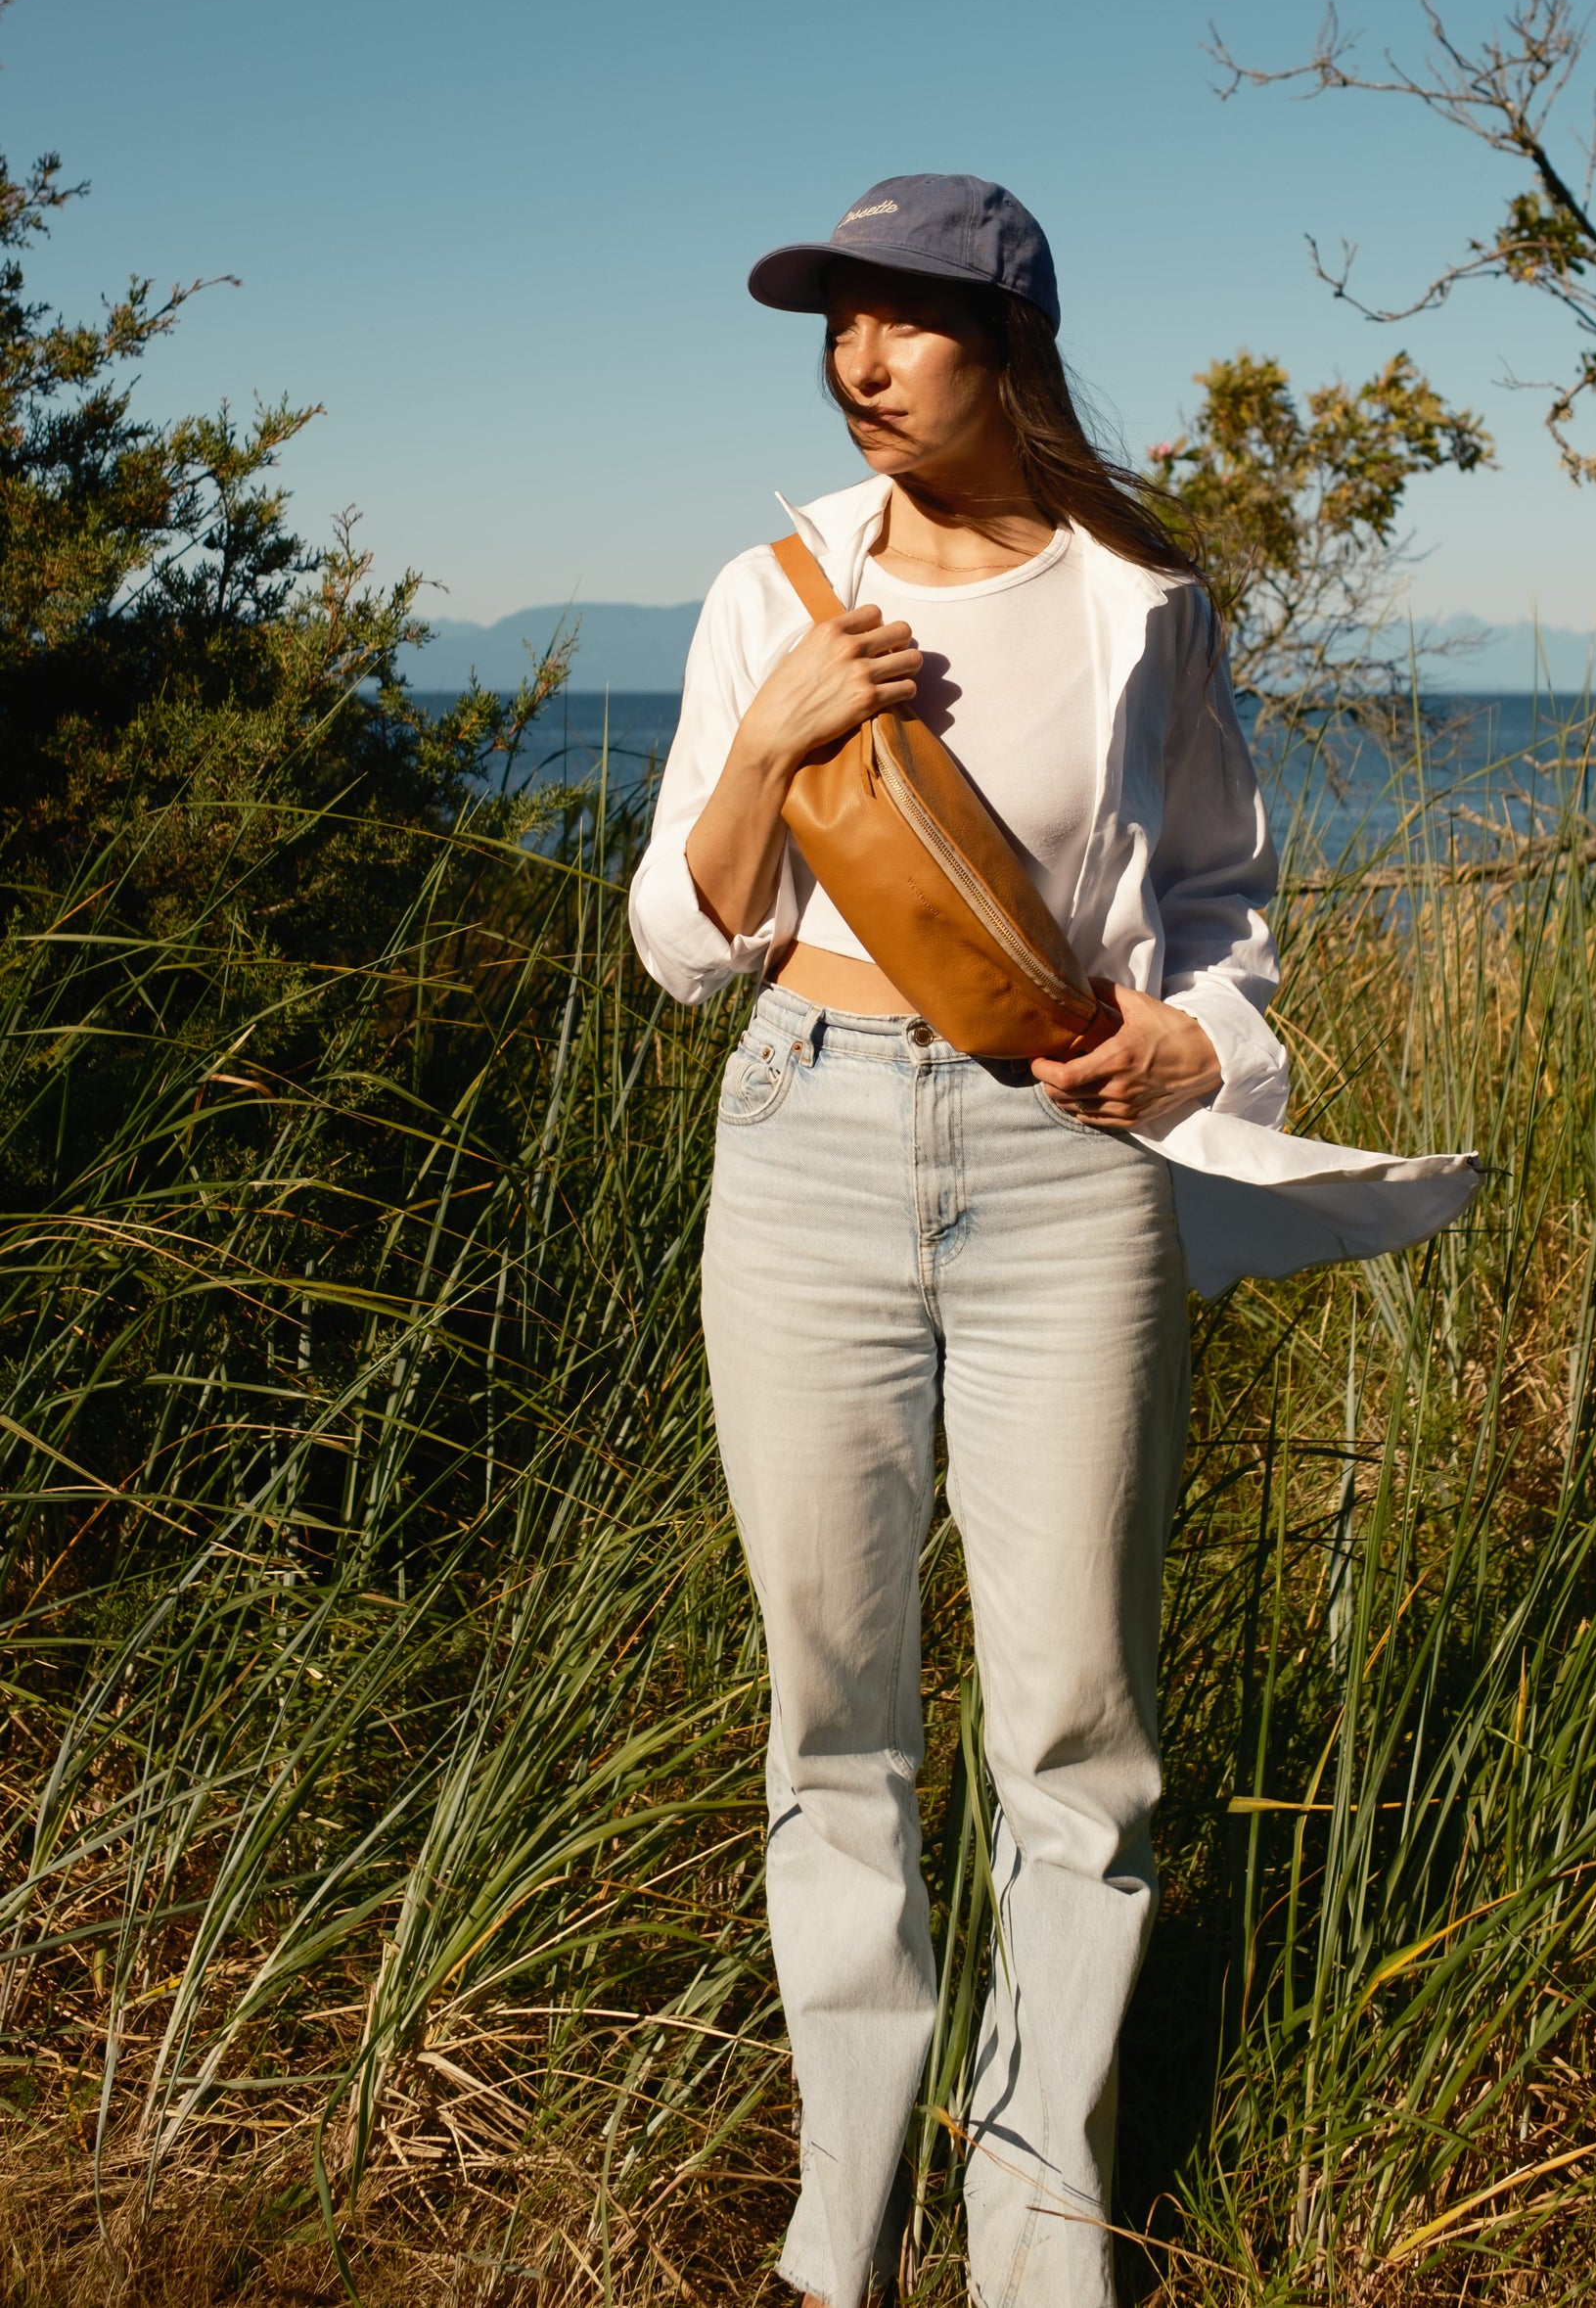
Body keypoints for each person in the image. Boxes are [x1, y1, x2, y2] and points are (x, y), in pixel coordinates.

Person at [628, 175, 1477, 2308]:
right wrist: (772, 732)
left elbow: (1220, 905)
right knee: (832, 1720)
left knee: (1077, 1729)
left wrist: (1196, 1036)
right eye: (837, 322)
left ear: (1010, 348)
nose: (859, 357)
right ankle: (848, 2223)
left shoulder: (1137, 601)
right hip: (802, 1147)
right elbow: (677, 947)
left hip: (1065, 1181)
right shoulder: (776, 586)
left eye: (905, 322)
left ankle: (1041, 2238)